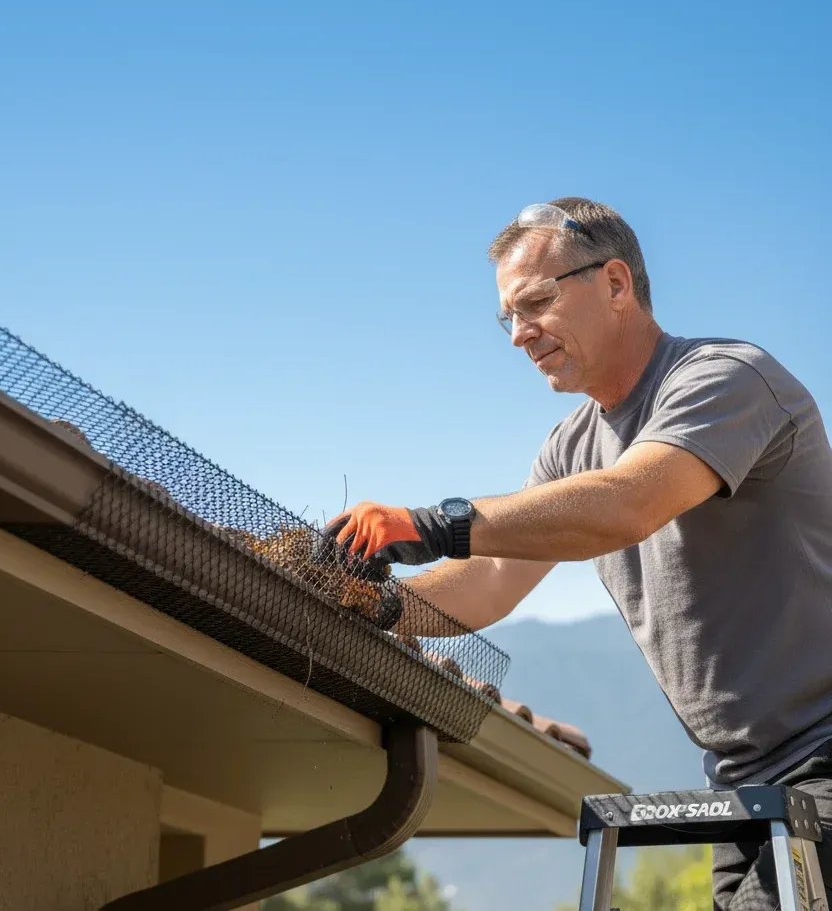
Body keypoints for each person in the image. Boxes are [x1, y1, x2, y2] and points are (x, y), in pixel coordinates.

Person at [322, 197, 832, 909]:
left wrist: (427, 523)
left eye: (535, 302)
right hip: (744, 779)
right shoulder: (570, 449)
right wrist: (368, 603)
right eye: (508, 316)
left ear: (616, 284)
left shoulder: (727, 379)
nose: (518, 335)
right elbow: (491, 579)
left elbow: (628, 503)